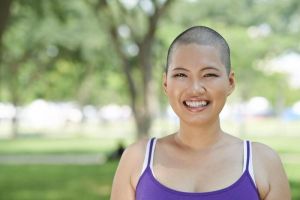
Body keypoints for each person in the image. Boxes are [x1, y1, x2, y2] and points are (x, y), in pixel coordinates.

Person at [110, 26, 291, 200]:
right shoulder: (137, 159)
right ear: (166, 84)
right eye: (181, 75)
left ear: (230, 82)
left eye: (209, 75)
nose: (195, 89)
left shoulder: (263, 162)